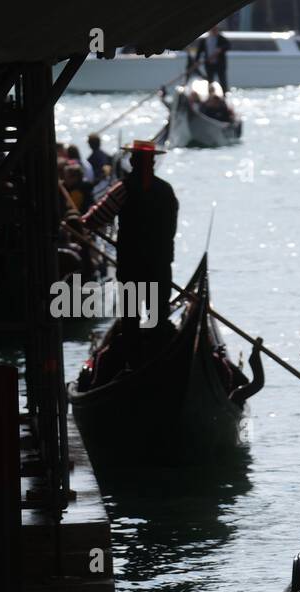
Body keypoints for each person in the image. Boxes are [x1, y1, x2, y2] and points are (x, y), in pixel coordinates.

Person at [79, 139, 179, 361]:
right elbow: (170, 228)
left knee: (131, 318)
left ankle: (133, 362)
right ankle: (158, 357)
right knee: (158, 316)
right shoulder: (166, 191)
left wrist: (81, 221)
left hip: (132, 264)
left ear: (133, 161)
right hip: (159, 265)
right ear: (152, 162)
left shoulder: (122, 189)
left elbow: (96, 218)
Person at [193, 25, 231, 93]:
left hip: (220, 64)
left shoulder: (221, 39)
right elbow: (199, 51)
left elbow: (228, 46)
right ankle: (210, 95)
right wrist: (196, 61)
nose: (214, 31)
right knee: (210, 80)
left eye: (215, 29)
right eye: (213, 30)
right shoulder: (204, 40)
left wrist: (220, 49)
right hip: (209, 64)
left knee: (222, 79)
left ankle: (224, 94)